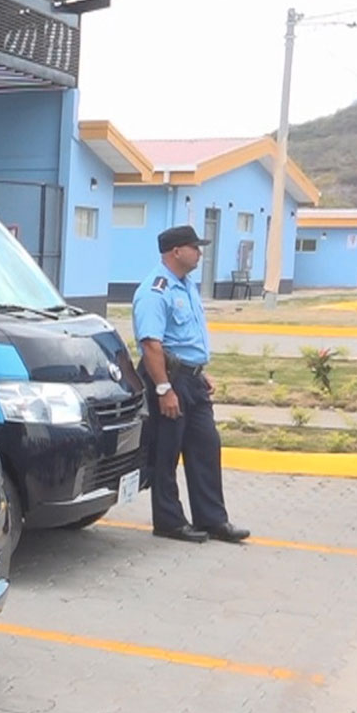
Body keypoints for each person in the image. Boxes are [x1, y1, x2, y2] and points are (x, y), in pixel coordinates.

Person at [132, 225, 250, 544]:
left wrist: (198, 370)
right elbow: (151, 345)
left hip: (191, 379)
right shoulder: (155, 291)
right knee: (167, 449)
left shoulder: (186, 286)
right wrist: (163, 389)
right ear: (176, 252)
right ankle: (169, 520)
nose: (200, 252)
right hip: (168, 380)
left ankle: (212, 519)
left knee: (206, 447)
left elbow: (184, 339)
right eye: (195, 247)